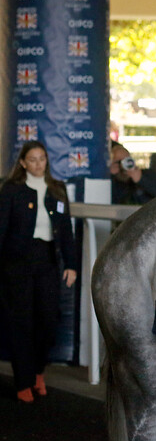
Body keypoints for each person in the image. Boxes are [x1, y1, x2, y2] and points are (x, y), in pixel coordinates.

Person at [0, 141, 77, 402]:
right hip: (16, 265)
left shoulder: (57, 190)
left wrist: (72, 265)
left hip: (47, 262)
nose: (38, 164)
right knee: (21, 324)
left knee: (48, 322)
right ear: (22, 163)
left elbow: (66, 230)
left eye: (42, 158)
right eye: (32, 159)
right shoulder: (11, 190)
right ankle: (23, 380)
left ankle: (38, 371)